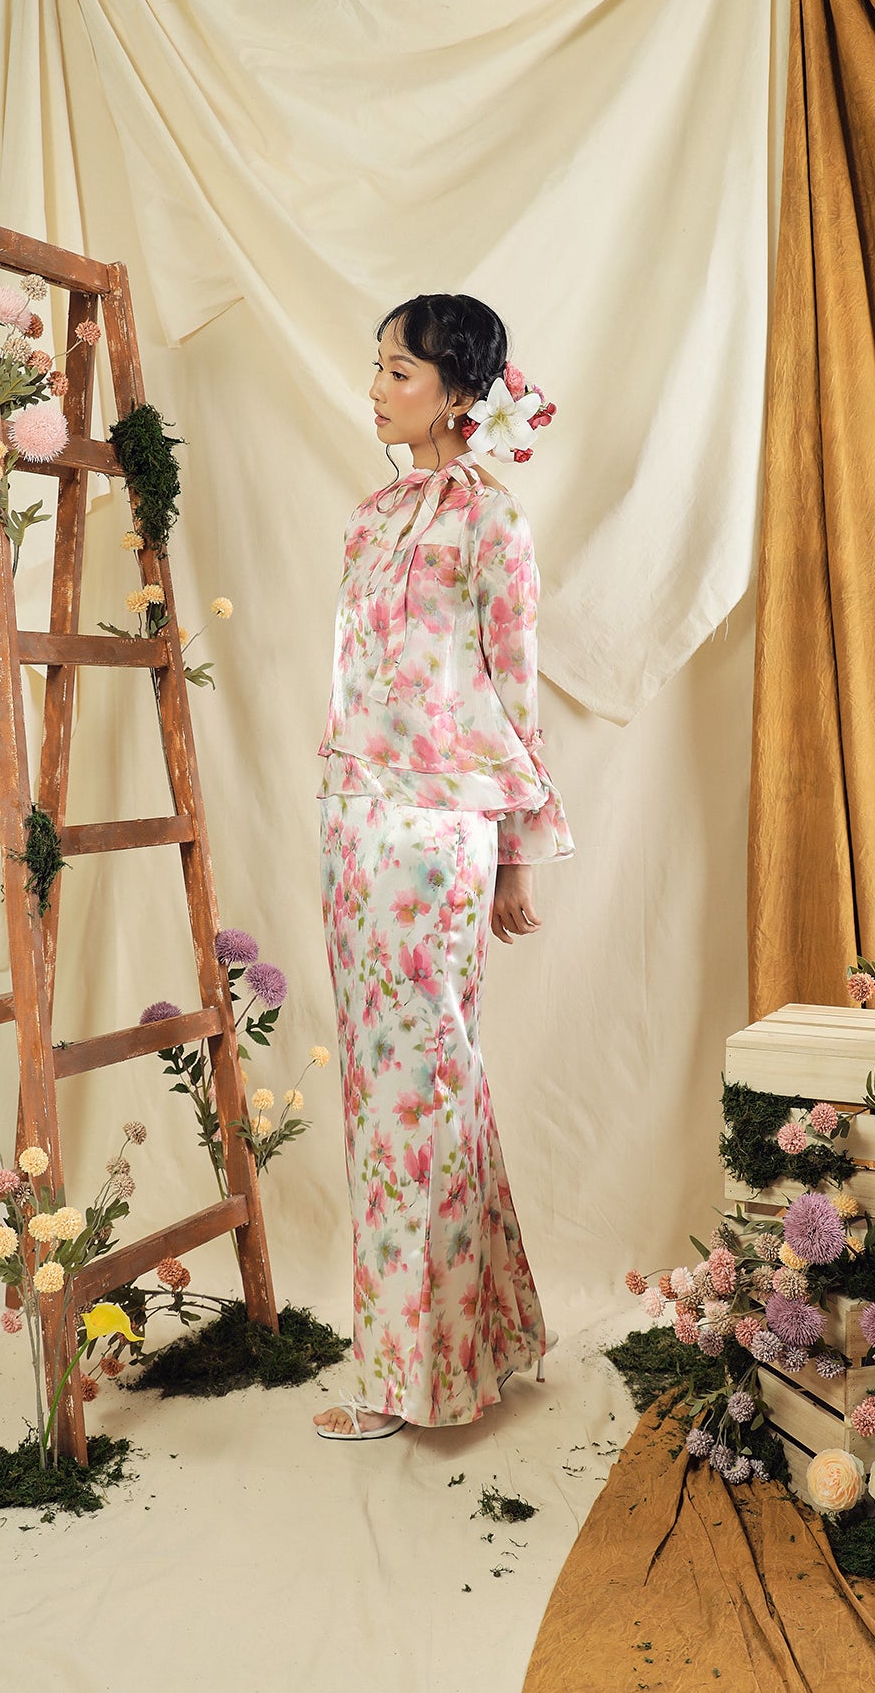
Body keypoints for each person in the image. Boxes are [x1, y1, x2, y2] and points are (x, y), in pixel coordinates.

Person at [313, 293, 574, 1439]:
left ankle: (409, 1378)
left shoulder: (492, 523)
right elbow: (356, 683)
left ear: (461, 393)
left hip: (438, 837)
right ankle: (486, 1339)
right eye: (376, 366)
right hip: (352, 824)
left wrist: (519, 857)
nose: (376, 388)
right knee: (391, 1089)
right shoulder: (371, 518)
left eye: (399, 372)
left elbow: (515, 690)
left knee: (422, 1085)